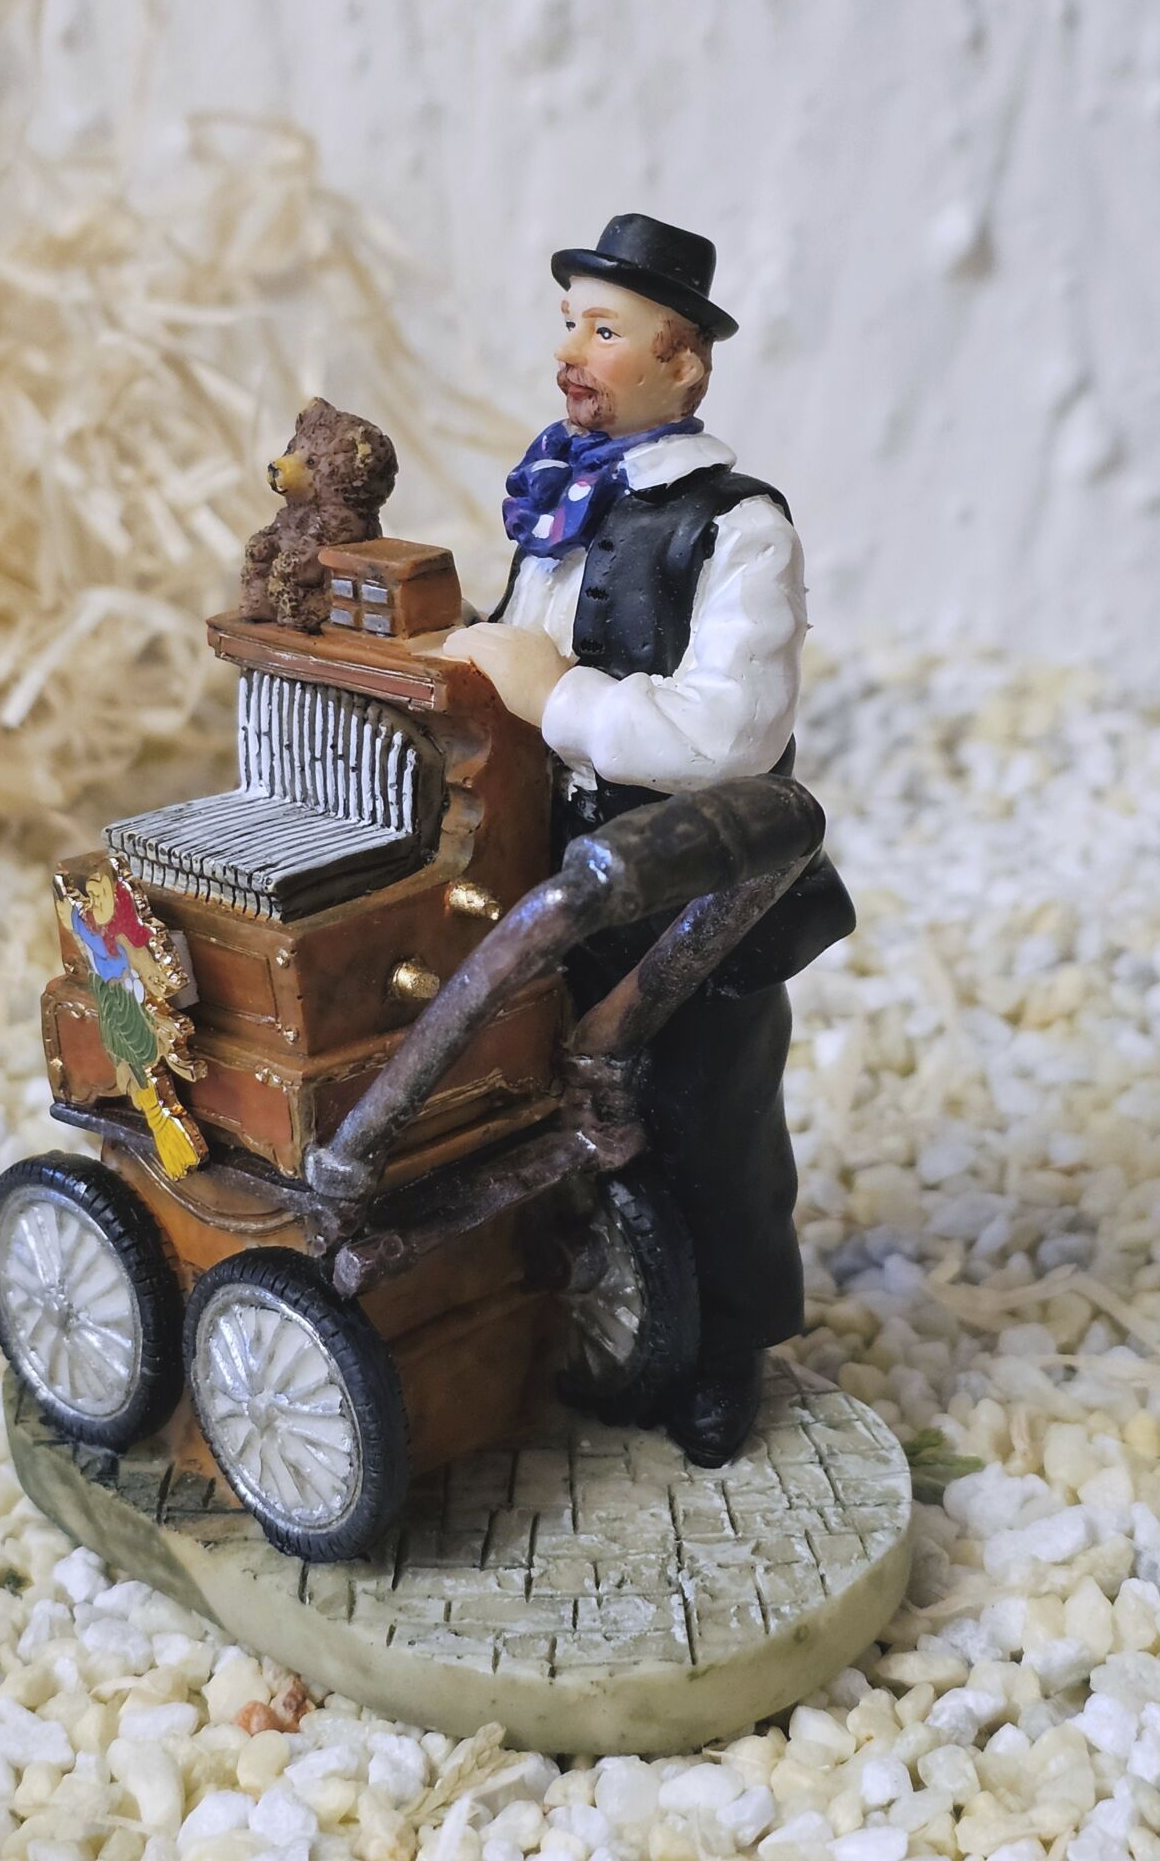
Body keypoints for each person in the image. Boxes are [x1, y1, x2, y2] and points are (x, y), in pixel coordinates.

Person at [444, 214, 853, 1466]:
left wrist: (554, 691)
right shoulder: (564, 493)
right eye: (570, 321)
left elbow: (727, 734)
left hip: (691, 890)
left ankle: (722, 1347)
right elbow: (519, 648)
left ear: (685, 363)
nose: (571, 350)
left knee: (702, 1114)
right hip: (551, 866)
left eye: (607, 329)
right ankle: (567, 1306)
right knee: (537, 1092)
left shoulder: (736, 528)